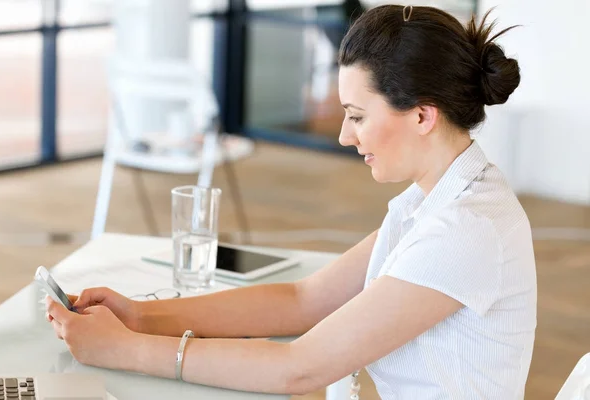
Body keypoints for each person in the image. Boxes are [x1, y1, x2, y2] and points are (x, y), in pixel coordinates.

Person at [46, 4, 537, 399]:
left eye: (358, 116)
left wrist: (124, 351)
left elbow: (298, 370)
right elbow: (305, 301)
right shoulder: (432, 201)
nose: (345, 135)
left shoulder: (465, 230)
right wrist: (140, 318)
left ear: (423, 116)